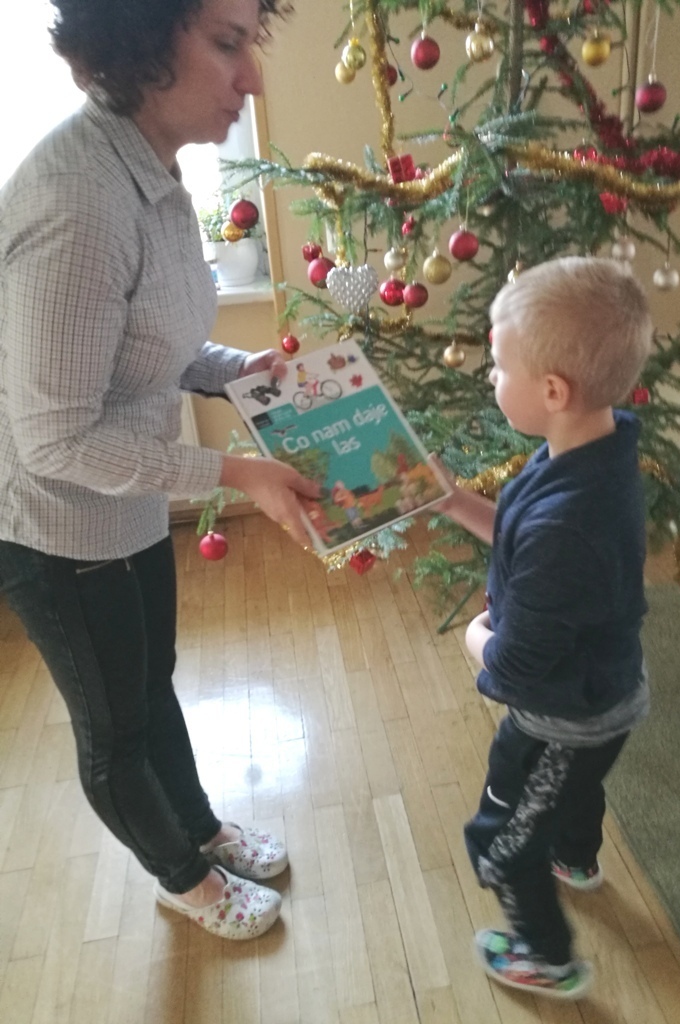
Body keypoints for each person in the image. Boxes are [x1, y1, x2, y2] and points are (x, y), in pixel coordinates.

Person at [0, 0, 316, 941]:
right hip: (56, 525)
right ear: (137, 45)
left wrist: (236, 371)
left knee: (152, 684)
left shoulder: (153, 171)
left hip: (128, 498)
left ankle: (199, 827)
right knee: (115, 729)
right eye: (227, 44)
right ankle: (181, 877)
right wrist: (238, 474)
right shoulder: (77, 203)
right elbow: (55, 440)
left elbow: (150, 342)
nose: (251, 77)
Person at [432, 257, 653, 998]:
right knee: (576, 788)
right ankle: (576, 857)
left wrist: (477, 638)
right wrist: (455, 501)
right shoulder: (593, 451)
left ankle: (548, 957)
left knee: (500, 838)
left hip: (564, 714)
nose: (491, 379)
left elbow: (515, 670)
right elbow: (523, 531)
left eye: (499, 368)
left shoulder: (568, 523)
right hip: (603, 685)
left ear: (553, 391)